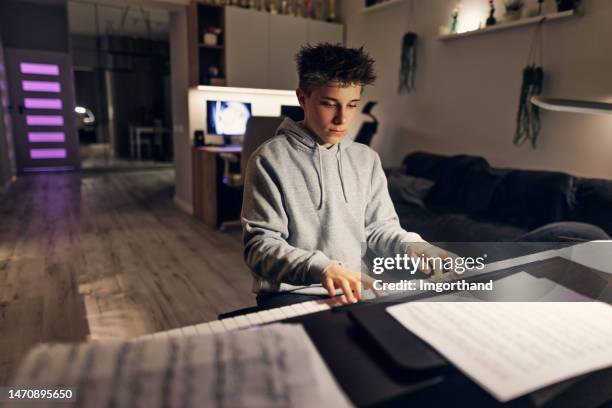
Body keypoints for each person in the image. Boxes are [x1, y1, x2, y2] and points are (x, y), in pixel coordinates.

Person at [241, 43, 448, 309]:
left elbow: (378, 228)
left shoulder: (367, 159)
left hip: (353, 287)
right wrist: (323, 269)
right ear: (302, 98)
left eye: (352, 105)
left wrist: (412, 245)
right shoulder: (269, 160)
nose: (342, 118)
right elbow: (260, 248)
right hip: (292, 293)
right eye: (329, 104)